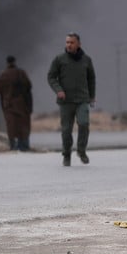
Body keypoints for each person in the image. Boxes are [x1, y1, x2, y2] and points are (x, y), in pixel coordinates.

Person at [47, 33, 96, 166]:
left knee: (84, 123)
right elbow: (51, 77)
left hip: (82, 99)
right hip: (66, 101)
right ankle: (66, 154)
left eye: (72, 42)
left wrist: (92, 96)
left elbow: (91, 78)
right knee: (66, 130)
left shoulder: (86, 60)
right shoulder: (59, 59)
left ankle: (81, 150)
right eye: (67, 42)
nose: (69, 45)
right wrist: (59, 90)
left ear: (79, 44)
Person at [0, 55, 33, 151]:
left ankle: (13, 146)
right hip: (22, 104)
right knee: (23, 126)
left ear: (7, 63)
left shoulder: (3, 75)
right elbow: (29, 86)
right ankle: (24, 146)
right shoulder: (21, 73)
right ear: (14, 62)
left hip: (8, 105)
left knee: (11, 126)